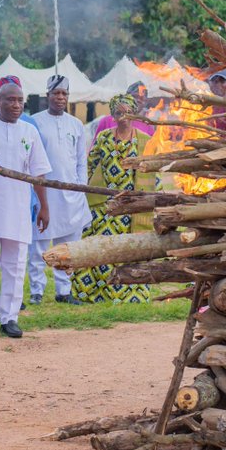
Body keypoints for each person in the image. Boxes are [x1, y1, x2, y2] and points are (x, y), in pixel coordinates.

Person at [0, 79, 50, 338]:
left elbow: (39, 173)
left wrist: (43, 207)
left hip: (18, 207)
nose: (16, 105)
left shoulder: (30, 131)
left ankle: (10, 316)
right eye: (10, 100)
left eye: (19, 100)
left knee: (15, 264)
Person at [71, 94, 154, 304]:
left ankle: (130, 294)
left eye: (127, 112)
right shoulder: (104, 137)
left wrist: (153, 202)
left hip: (131, 207)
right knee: (97, 244)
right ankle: (94, 292)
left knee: (129, 248)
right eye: (118, 112)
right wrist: (80, 193)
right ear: (112, 115)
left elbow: (154, 176)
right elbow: (89, 167)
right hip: (105, 204)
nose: (123, 117)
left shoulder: (145, 141)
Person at [28, 75, 90, 305]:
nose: (60, 97)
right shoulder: (35, 122)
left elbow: (81, 160)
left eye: (64, 93)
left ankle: (64, 291)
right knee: (40, 244)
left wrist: (80, 187)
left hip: (72, 193)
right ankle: (37, 290)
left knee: (68, 245)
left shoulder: (76, 124)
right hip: (44, 192)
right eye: (56, 93)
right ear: (48, 96)